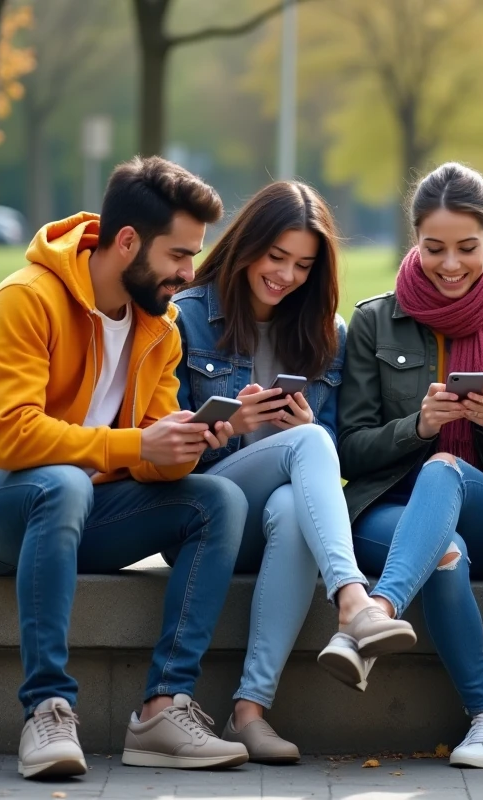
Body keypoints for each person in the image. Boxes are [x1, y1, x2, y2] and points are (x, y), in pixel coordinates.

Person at [0, 157, 256, 779]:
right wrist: (135, 448)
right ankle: (47, 709)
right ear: (128, 243)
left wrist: (186, 444)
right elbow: (13, 439)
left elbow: (146, 452)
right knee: (61, 483)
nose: (190, 272)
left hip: (76, 511)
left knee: (218, 500)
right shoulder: (26, 299)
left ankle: (162, 709)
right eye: (179, 255)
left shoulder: (161, 327)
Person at [172, 181, 414, 763]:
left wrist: (306, 428)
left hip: (279, 522)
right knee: (305, 446)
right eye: (276, 257)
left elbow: (326, 454)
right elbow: (169, 452)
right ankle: (353, 602)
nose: (285, 275)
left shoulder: (327, 336)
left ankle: (249, 711)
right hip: (207, 509)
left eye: (303, 265)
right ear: (246, 244)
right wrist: (228, 428)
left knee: (293, 493)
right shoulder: (187, 319)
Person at [336, 162, 483, 769]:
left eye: (467, 248)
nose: (450, 265)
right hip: (390, 513)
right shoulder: (376, 320)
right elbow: (349, 447)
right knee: (445, 554)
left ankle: (375, 613)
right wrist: (420, 427)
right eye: (434, 249)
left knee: (444, 471)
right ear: (415, 242)